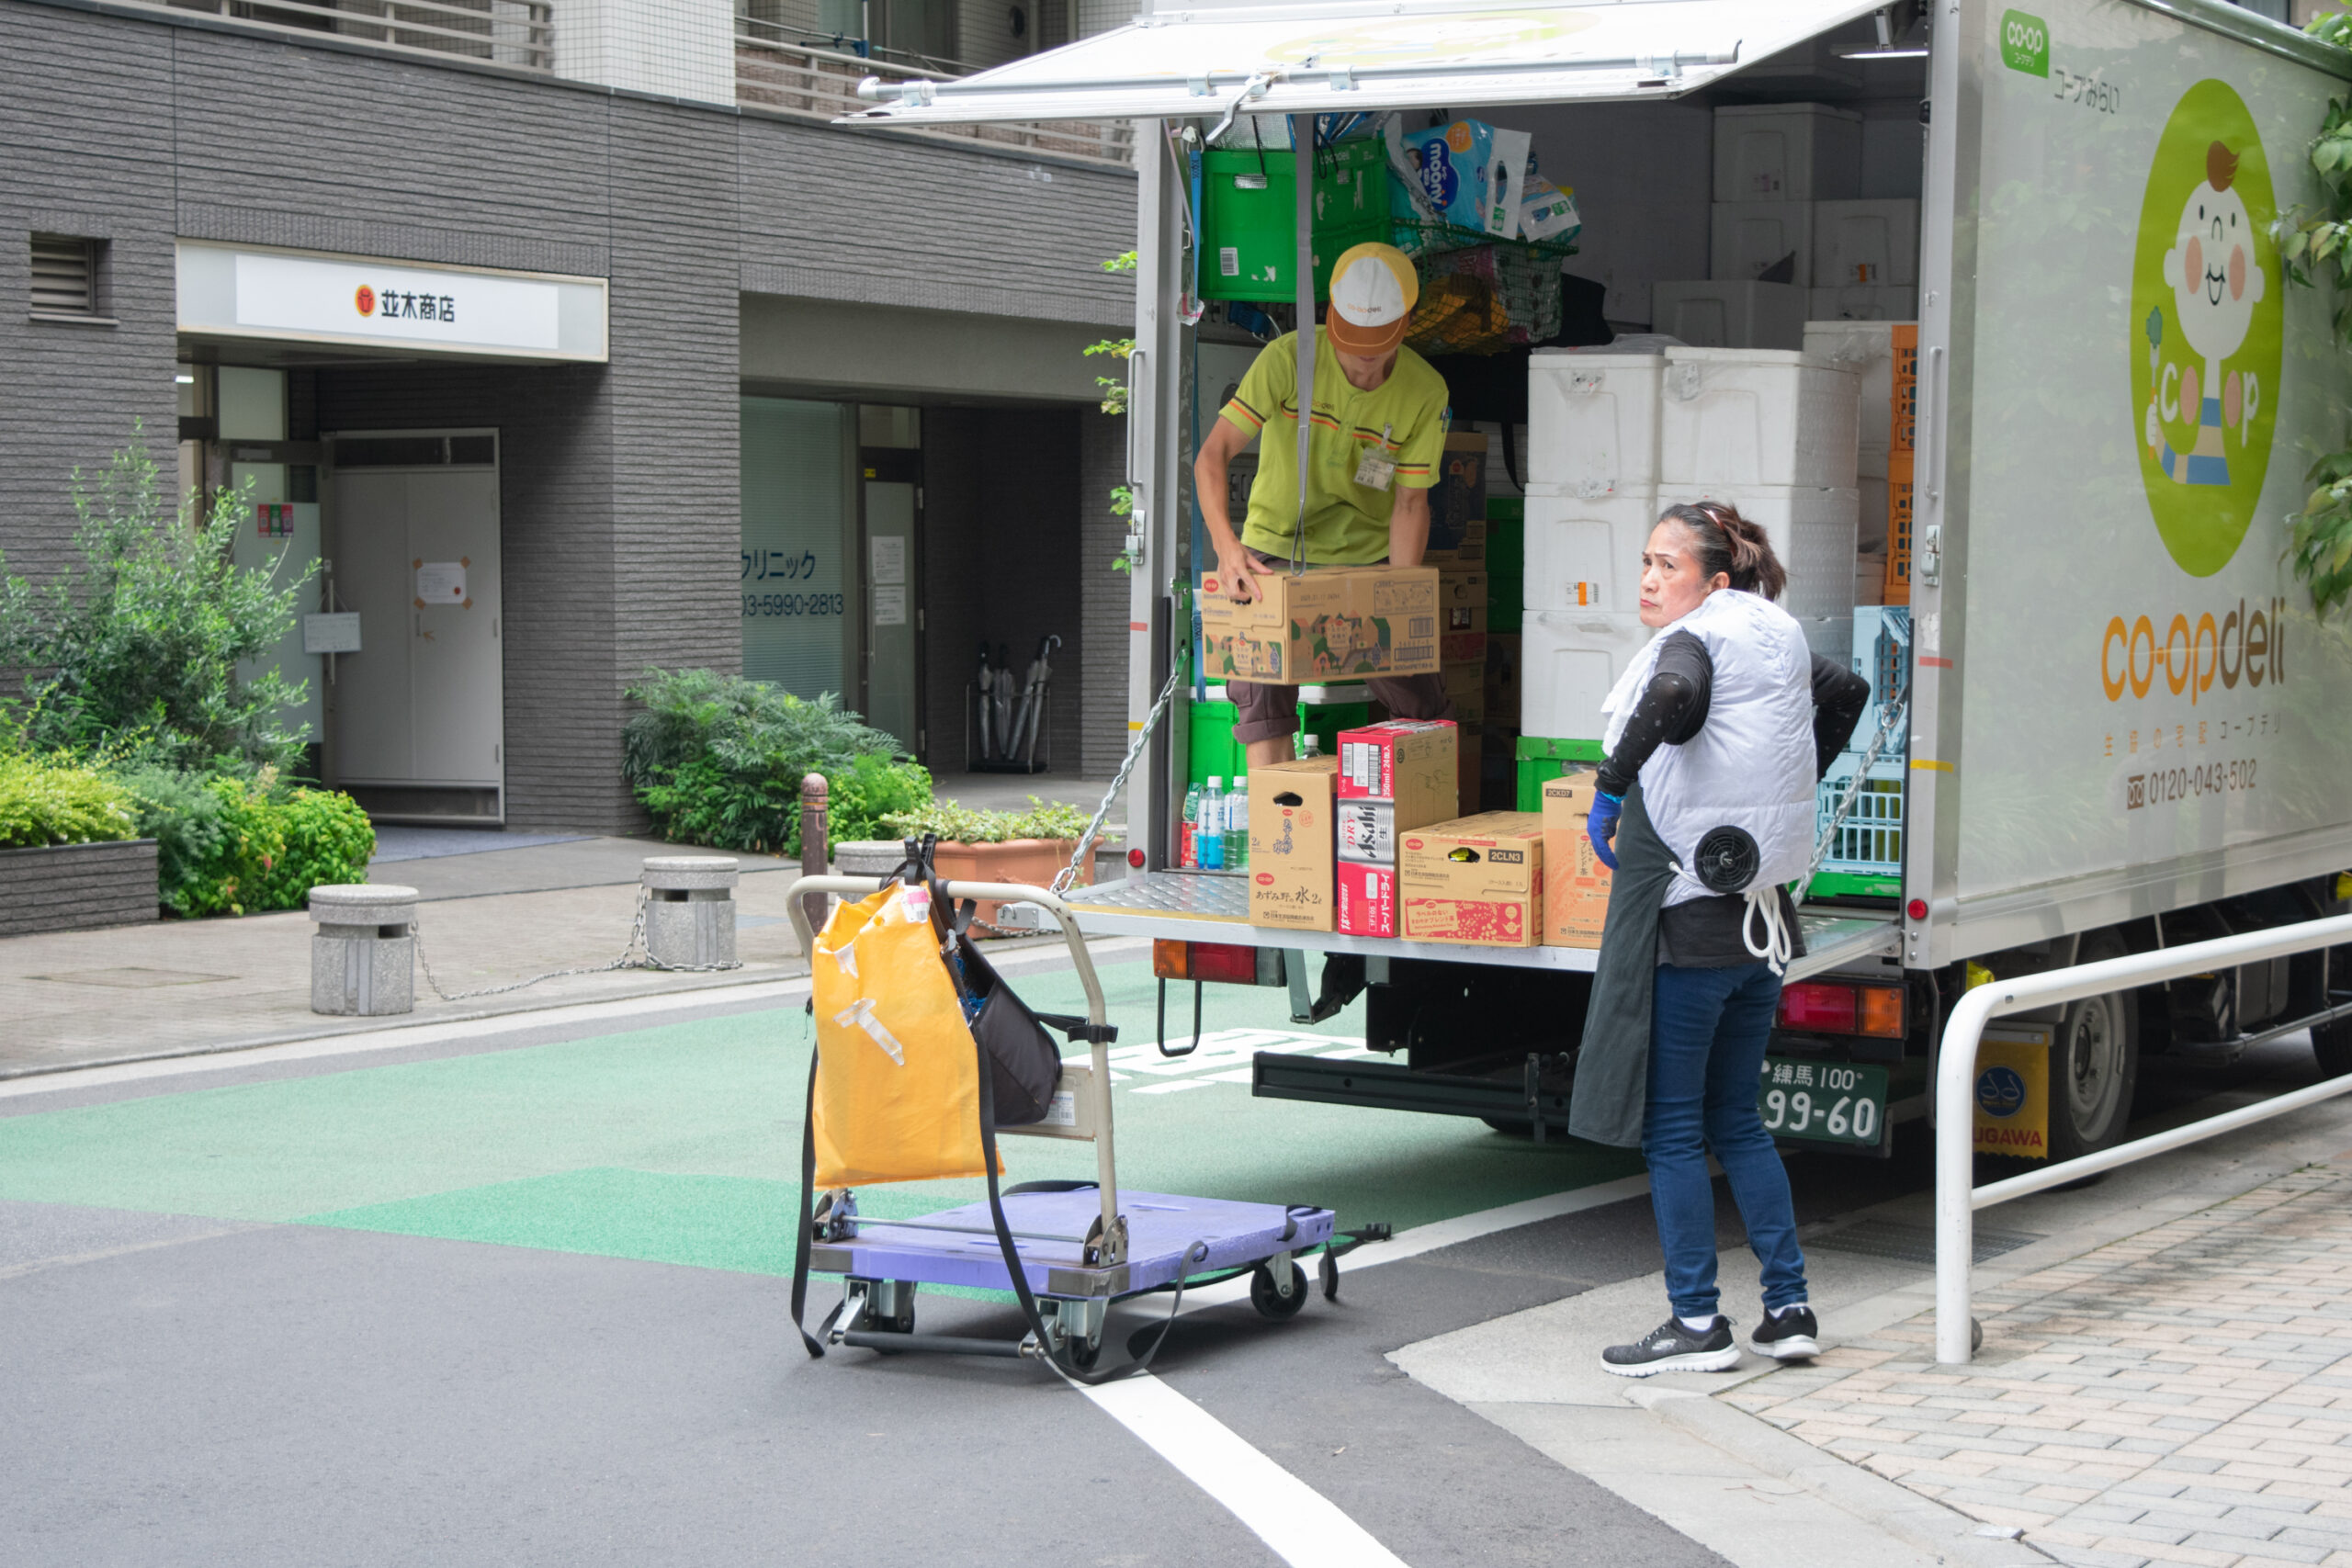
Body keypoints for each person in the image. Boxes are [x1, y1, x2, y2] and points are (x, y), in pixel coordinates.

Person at [1564, 501, 1869, 1377]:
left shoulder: (1695, 644)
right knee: (1739, 1120)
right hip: (1761, 929)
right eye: (1648, 561)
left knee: (1671, 1130)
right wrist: (1792, 773)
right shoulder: (1770, 641)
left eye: (1670, 565)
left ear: (1716, 581)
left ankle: (1697, 1320)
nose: (1652, 580)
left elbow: (1672, 696)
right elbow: (1846, 690)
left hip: (1689, 930)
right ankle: (1790, 1308)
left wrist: (1612, 786)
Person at [1194, 242, 1456, 768]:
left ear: (1404, 326)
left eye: (1375, 345)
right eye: (1350, 341)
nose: (1361, 358)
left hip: (1366, 552)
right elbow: (1212, 455)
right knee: (1258, 684)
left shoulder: (1426, 391)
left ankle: (1413, 821)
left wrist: (1400, 596)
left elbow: (1410, 504)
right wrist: (1227, 549)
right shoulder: (1289, 358)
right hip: (1271, 546)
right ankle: (1280, 831)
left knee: (1415, 686)